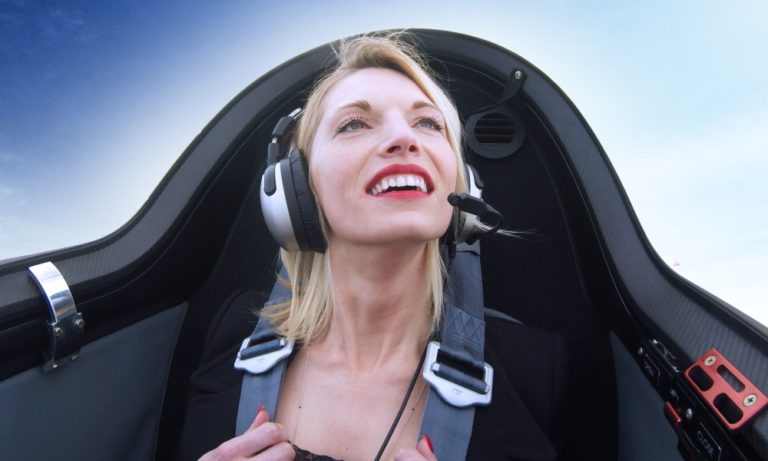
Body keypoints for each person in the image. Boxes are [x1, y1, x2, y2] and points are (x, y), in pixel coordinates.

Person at [176, 33, 569, 461]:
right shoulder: (231, 334)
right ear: (296, 192)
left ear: (462, 185)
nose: (404, 138)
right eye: (354, 124)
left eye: (428, 123)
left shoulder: (535, 367)